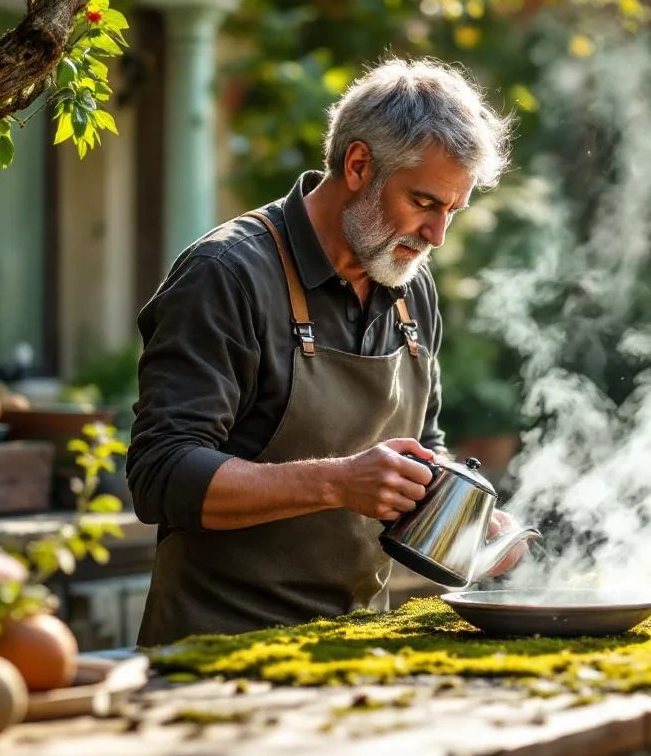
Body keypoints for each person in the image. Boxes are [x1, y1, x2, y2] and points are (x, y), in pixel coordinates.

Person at [127, 58, 525, 647]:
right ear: (359, 164)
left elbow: (425, 446)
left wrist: (464, 520)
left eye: (452, 211)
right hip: (213, 653)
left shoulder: (410, 283)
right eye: (424, 202)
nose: (437, 236)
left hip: (354, 647)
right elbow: (160, 475)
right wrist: (337, 482)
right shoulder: (227, 274)